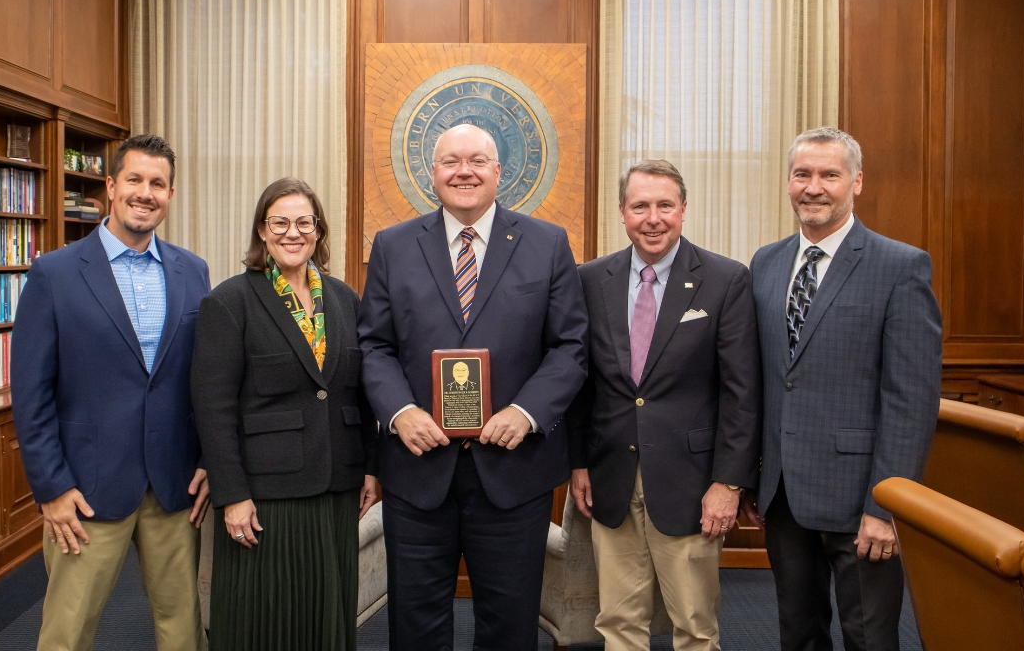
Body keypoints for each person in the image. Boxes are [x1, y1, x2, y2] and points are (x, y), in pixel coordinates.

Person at [358, 123, 588, 651]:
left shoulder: (547, 242)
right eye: (451, 162)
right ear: (432, 174)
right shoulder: (393, 246)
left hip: (513, 472)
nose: (464, 171)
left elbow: (571, 346)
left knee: (509, 626)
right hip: (418, 472)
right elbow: (373, 345)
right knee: (415, 627)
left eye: (478, 161)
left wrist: (527, 411)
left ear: (498, 172)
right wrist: (399, 411)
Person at [11, 134, 211, 651]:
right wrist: (50, 488)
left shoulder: (194, 271)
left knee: (183, 626)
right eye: (135, 180)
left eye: (158, 184)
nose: (146, 193)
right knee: (67, 632)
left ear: (171, 193)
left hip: (173, 485)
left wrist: (210, 459)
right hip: (85, 490)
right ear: (111, 186)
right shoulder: (54, 274)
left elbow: (204, 379)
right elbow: (30, 394)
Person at [744, 127, 942, 651]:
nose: (814, 187)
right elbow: (764, 379)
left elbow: (911, 400)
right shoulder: (765, 263)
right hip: (783, 494)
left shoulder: (900, 266)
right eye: (802, 174)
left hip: (861, 498)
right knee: (798, 632)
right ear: (787, 182)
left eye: (829, 174)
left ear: (856, 182)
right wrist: (752, 477)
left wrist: (887, 506)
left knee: (869, 638)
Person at [569, 160, 761, 651]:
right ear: (622, 213)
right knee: (616, 621)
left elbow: (742, 393)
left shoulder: (725, 279)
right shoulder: (590, 280)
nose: (652, 218)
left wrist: (728, 482)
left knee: (694, 626)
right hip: (611, 477)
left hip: (692, 484)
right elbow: (580, 382)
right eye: (640, 207)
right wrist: (579, 462)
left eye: (664, 206)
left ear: (683, 210)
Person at [191, 177, 378, 651]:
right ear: (261, 230)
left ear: (318, 230)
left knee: (325, 613)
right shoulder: (230, 301)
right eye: (280, 222)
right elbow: (213, 409)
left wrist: (372, 468)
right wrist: (231, 496)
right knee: (264, 616)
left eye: (303, 222)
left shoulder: (343, 299)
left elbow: (361, 395)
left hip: (337, 484)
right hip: (265, 495)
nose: (292, 233)